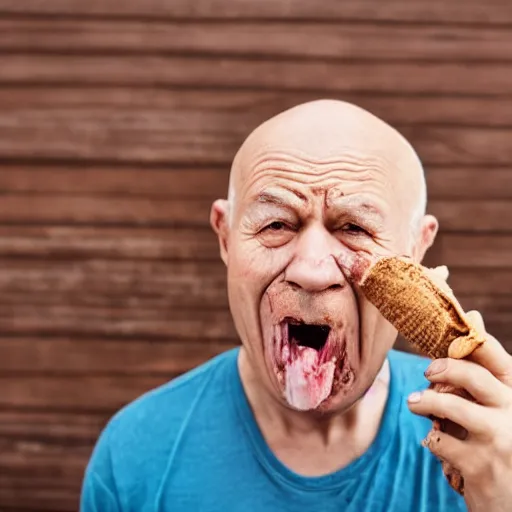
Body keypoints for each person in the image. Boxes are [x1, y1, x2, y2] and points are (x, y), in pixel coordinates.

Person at [80, 100, 512, 512]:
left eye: (354, 227)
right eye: (276, 224)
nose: (311, 270)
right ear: (225, 236)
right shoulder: (134, 457)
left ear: (417, 249)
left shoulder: (484, 450)